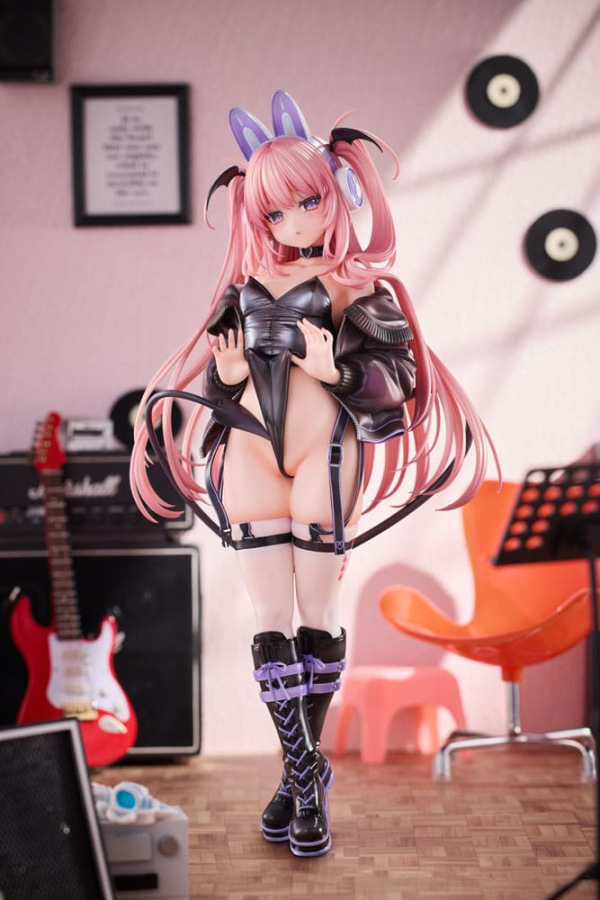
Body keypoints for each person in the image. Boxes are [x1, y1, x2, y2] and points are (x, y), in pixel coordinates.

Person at [130, 91, 498, 858]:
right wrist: (228, 376)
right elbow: (218, 380)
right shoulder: (242, 289)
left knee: (317, 612)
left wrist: (337, 371)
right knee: (268, 617)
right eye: (274, 211)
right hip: (250, 453)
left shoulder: (358, 285)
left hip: (327, 451)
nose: (293, 222)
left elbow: (399, 378)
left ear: (334, 194)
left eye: (306, 202)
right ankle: (305, 776)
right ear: (256, 215)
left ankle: (300, 780)